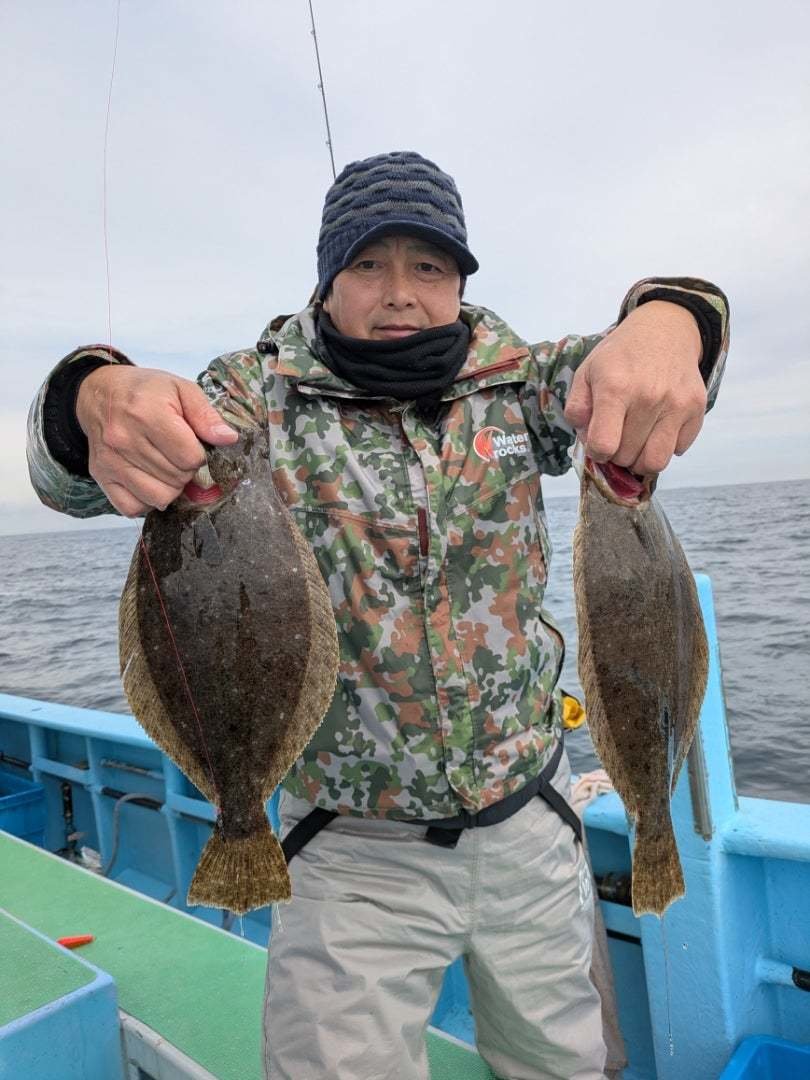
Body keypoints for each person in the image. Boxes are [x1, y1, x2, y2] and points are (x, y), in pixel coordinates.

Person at [28, 151, 729, 1080]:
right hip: (348, 846)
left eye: (428, 266)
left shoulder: (525, 383)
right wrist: (92, 391)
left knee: (568, 1066)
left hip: (532, 821)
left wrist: (671, 319)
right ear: (327, 280)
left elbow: (666, 364)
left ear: (460, 282)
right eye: (368, 263)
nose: (400, 291)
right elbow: (67, 480)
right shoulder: (249, 399)